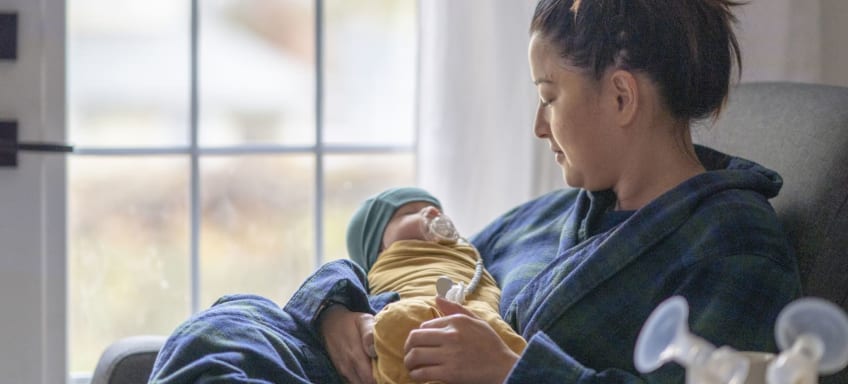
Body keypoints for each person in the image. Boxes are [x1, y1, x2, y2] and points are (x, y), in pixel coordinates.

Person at [150, 1, 801, 383]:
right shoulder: (552, 217)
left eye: (550, 97)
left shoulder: (734, 245)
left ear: (622, 96)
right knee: (225, 327)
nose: (539, 125)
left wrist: (512, 371)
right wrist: (338, 309)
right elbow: (434, 266)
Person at [345, 187, 526, 384]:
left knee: (510, 341)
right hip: (416, 308)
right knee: (391, 324)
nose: (433, 212)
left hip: (477, 316)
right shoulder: (381, 264)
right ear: (378, 245)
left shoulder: (469, 251)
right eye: (410, 212)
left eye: (437, 209)